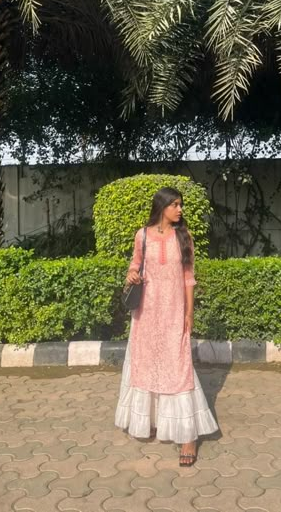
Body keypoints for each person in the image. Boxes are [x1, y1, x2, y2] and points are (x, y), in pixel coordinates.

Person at [115, 187, 218, 466]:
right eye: (175, 205)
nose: (180, 209)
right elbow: (134, 266)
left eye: (180, 205)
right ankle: (151, 420)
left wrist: (188, 313)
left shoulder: (184, 237)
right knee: (147, 363)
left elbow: (188, 278)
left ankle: (188, 437)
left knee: (179, 368)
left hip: (173, 311)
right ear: (162, 207)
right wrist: (132, 274)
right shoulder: (143, 235)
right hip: (146, 314)